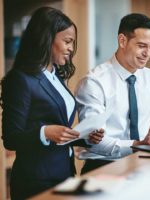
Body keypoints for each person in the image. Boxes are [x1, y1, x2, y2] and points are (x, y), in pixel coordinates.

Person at [0, 7, 102, 199]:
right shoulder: (21, 79)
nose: (71, 49)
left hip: (64, 175)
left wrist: (85, 138)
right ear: (47, 38)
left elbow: (59, 132)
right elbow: (11, 138)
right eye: (67, 41)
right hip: (35, 182)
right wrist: (45, 132)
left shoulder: (56, 77)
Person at [75, 13, 150, 174]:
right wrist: (137, 144)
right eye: (142, 45)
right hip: (103, 168)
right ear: (122, 40)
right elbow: (95, 141)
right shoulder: (94, 82)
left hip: (144, 165)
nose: (148, 53)